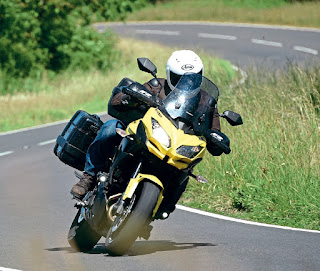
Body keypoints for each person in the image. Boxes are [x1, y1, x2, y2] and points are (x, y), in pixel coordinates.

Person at [70, 50, 226, 207]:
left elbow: (215, 129)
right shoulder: (157, 86)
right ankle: (88, 177)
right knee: (110, 128)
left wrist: (217, 139)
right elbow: (119, 100)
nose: (187, 84)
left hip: (175, 147)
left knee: (186, 170)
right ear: (170, 74)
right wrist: (128, 97)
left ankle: (166, 205)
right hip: (142, 133)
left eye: (193, 78)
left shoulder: (206, 100)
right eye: (180, 78)